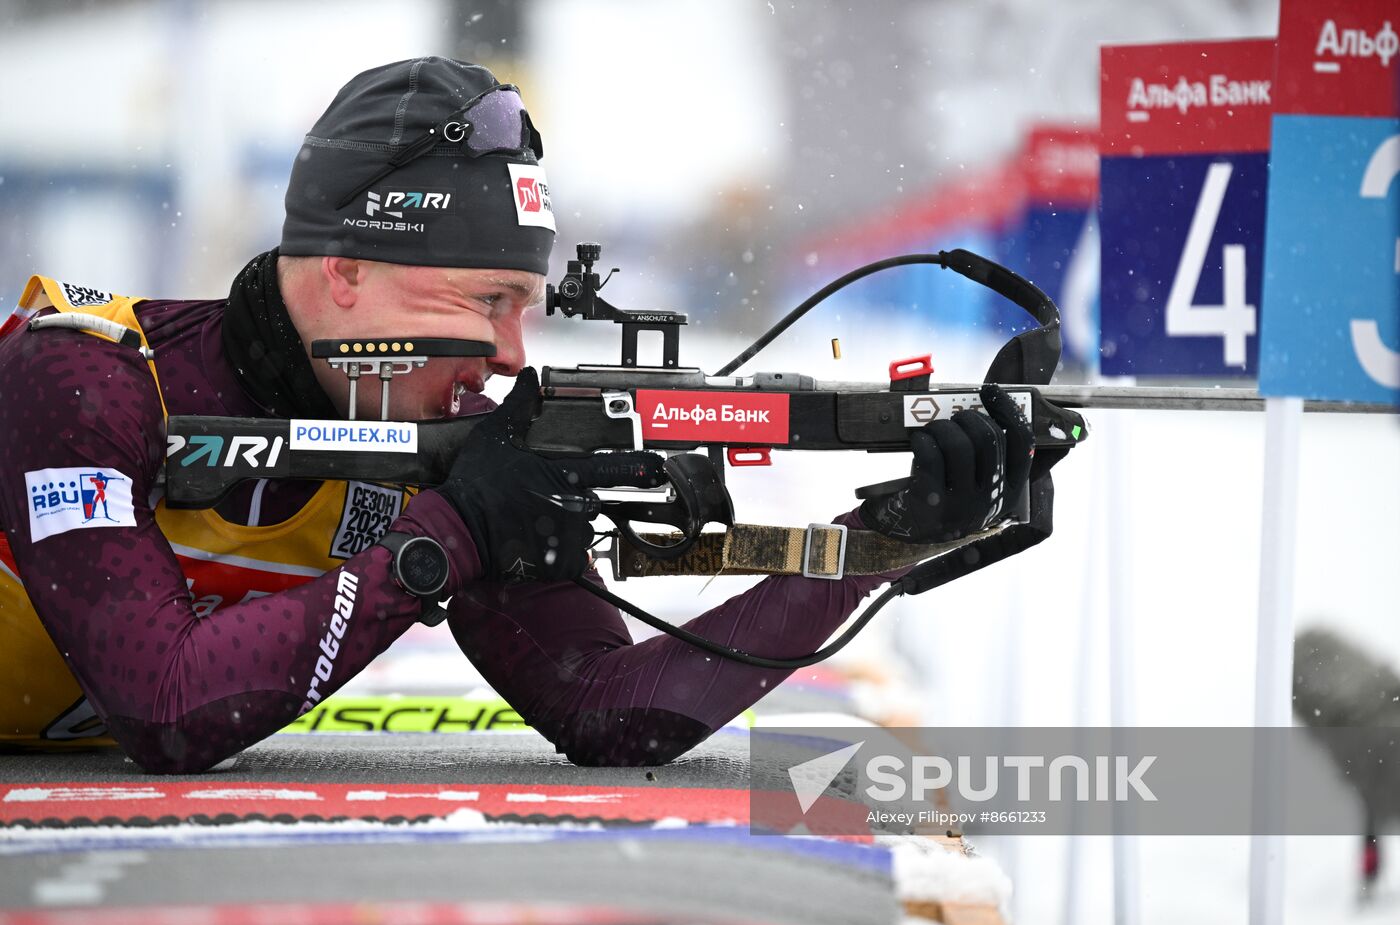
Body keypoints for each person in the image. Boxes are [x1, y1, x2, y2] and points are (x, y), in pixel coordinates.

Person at [0, 57, 1033, 773]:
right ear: (347, 271)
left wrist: (875, 546)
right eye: (483, 302)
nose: (509, 356)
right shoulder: (84, 381)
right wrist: (441, 542)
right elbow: (167, 711)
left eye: (524, 309)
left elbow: (610, 710)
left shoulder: (428, 426)